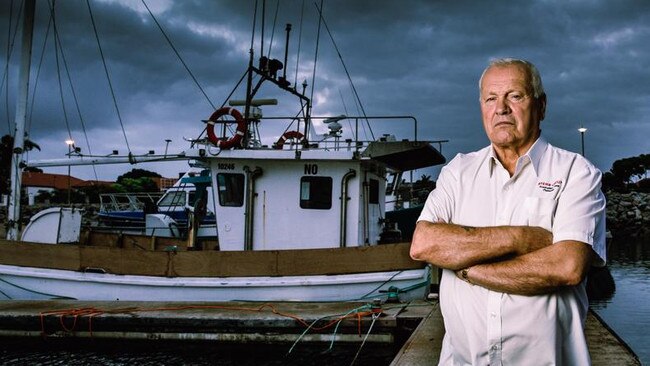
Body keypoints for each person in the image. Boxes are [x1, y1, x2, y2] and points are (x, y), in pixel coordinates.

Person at [410, 58, 607, 365]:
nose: (501, 108)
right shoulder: (458, 172)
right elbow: (424, 243)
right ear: (482, 108)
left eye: (515, 96)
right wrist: (521, 238)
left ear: (541, 106)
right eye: (491, 98)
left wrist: (470, 270)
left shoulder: (576, 172)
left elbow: (567, 266)